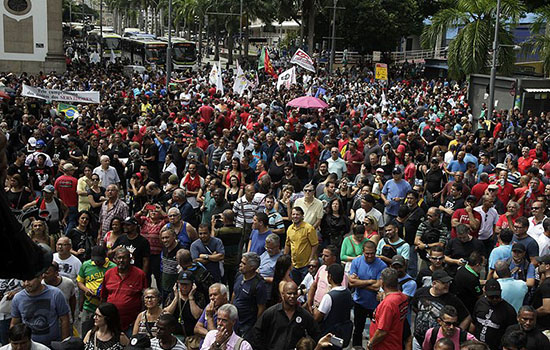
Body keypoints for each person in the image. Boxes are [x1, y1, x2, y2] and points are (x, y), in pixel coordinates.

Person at [410, 269, 471, 350]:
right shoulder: (420, 293)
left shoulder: (452, 299)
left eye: (448, 282)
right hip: (418, 339)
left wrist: (457, 332)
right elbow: (415, 308)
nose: (447, 285)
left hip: (439, 343)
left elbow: (467, 317)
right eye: (444, 283)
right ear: (434, 283)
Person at [253, 281, 320, 350]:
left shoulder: (304, 315)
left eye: (295, 293)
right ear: (283, 294)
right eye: (289, 293)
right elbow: (257, 331)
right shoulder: (271, 313)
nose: (292, 296)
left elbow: (316, 333)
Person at [10, 274, 71, 347]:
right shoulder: (18, 298)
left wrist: (64, 344)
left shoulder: (56, 294)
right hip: (28, 346)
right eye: (24, 280)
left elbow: (64, 320)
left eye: (30, 280)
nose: (26, 283)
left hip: (52, 345)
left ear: (40, 278)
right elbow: (14, 323)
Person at [100, 247, 148, 334]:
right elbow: (103, 297)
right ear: (115, 260)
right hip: (111, 323)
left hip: (132, 323)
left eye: (124, 257)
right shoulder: (108, 274)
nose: (121, 260)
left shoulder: (140, 274)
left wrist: (141, 318)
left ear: (130, 259)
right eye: (119, 258)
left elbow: (145, 298)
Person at [348, 240, 386, 348]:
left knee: (376, 331)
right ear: (363, 252)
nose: (370, 256)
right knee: (358, 329)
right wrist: (370, 281)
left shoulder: (381, 265)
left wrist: (360, 282)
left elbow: (378, 286)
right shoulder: (356, 262)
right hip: (360, 302)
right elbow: (351, 282)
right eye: (367, 253)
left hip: (374, 304)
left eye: (372, 253)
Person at [368, 268, 409, 350]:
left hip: (385, 346)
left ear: (382, 282)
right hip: (395, 343)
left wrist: (371, 343)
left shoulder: (388, 304)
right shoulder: (402, 297)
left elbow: (382, 331)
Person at [313, 264, 353, 348]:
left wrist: (316, 307)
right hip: (342, 335)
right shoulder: (348, 293)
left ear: (329, 277)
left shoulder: (329, 297)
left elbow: (317, 317)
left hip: (329, 336)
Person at [471, 279, 517, 350]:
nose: (495, 299)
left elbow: (511, 334)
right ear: (485, 293)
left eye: (497, 296)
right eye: (491, 297)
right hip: (478, 345)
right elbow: (473, 322)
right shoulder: (480, 303)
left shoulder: (509, 310)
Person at [231, 252, 267, 341]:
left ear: (252, 267)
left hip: (247, 324)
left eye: (243, 263)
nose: (240, 265)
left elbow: (261, 308)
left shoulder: (259, 285)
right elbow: (234, 293)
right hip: (234, 320)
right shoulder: (239, 275)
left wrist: (256, 326)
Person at [163, 271, 203, 346]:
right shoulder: (172, 295)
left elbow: (197, 315)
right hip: (176, 334)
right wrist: (176, 298)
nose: (184, 287)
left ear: (192, 285)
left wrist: (191, 298)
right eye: (181, 284)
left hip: (192, 336)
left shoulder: (198, 296)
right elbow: (167, 314)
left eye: (187, 284)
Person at [284, 207, 319, 285]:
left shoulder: (309, 228)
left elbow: (315, 244)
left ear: (302, 216)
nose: (295, 216)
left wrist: (311, 258)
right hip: (294, 265)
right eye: (293, 214)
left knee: (306, 287)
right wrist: (285, 259)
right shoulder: (290, 229)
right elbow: (287, 244)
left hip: (306, 265)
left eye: (297, 214)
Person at [307, 245, 347, 312]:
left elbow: (341, 295)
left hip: (330, 310)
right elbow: (313, 286)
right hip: (316, 306)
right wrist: (309, 304)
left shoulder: (340, 274)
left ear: (334, 258)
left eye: (326, 256)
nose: (323, 258)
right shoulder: (322, 268)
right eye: (322, 255)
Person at [532, 254, 550, 330]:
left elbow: (546, 309)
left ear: (547, 266)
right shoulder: (545, 282)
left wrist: (532, 314)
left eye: (541, 263)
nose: (538, 265)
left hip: (544, 325)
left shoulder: (547, 285)